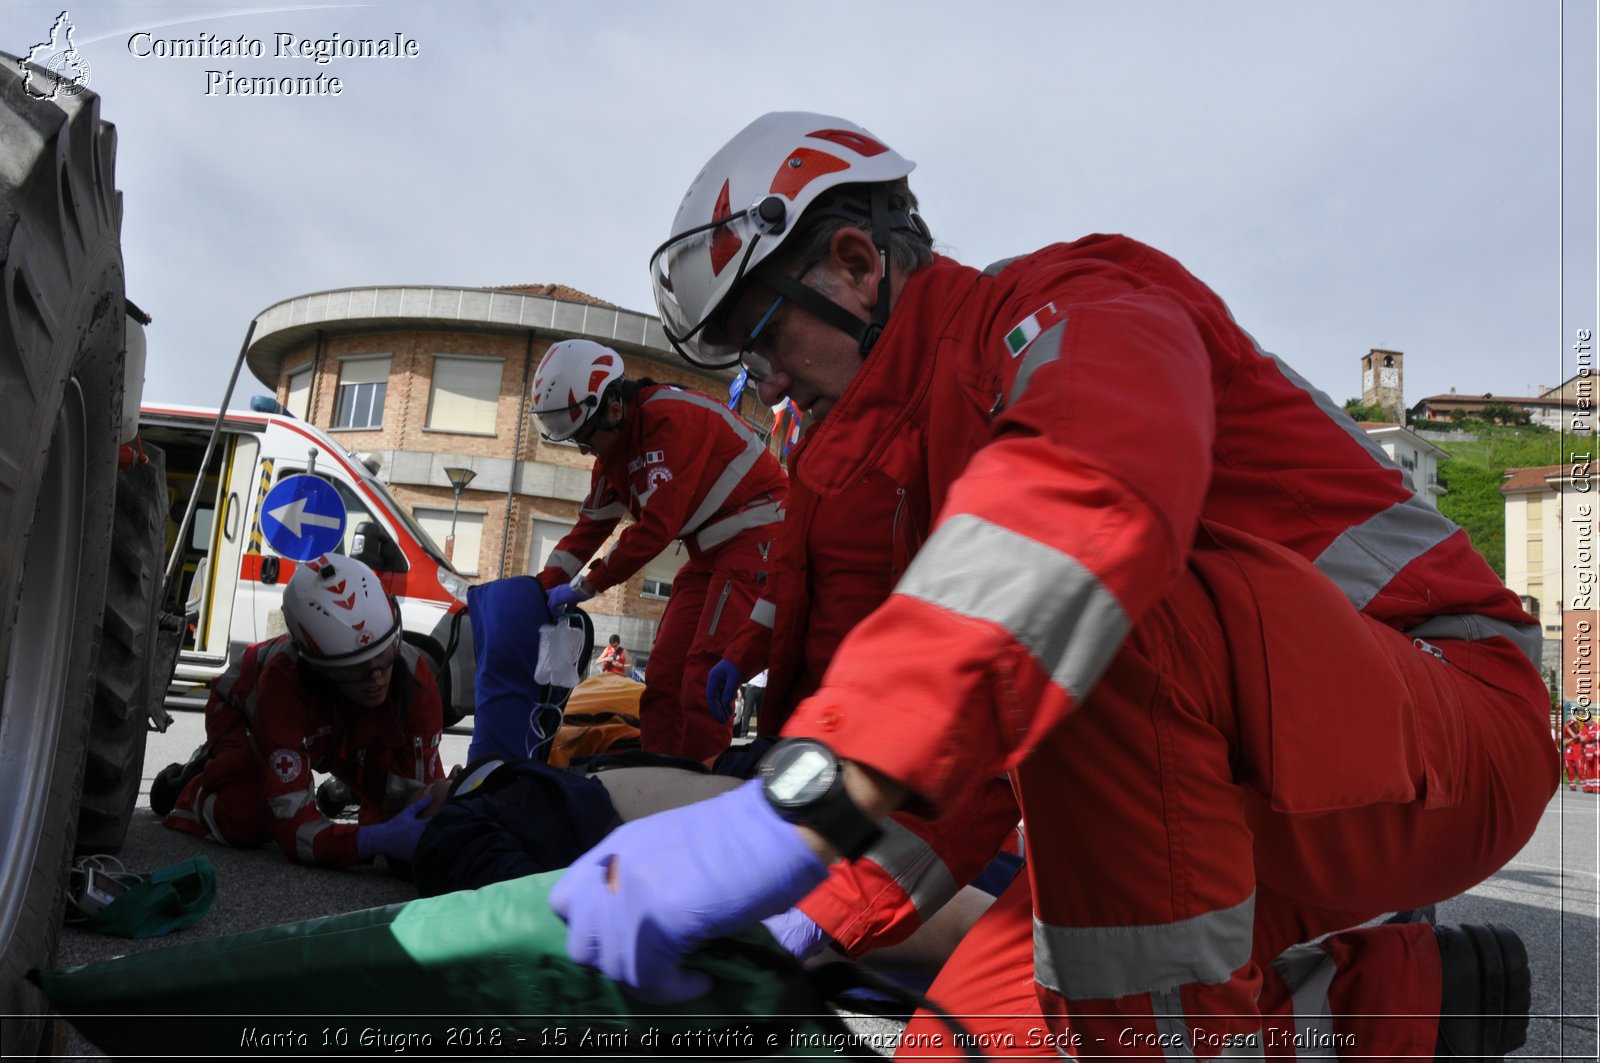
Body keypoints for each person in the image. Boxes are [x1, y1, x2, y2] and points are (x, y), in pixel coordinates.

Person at [549, 113, 1556, 1058]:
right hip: (1260, 773)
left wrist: (798, 802)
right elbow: (970, 737)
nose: (762, 380)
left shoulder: (1072, 301)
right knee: (959, 1043)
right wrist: (807, 918)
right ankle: (1395, 1004)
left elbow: (1087, 506)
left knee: (1097, 598)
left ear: (853, 266)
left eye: (761, 336)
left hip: (1455, 715)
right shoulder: (924, 458)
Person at [532, 338, 785, 762]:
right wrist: (537, 592)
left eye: (585, 437)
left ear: (613, 408)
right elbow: (585, 533)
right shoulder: (612, 453)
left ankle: (702, 793)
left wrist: (585, 587)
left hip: (756, 542)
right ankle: (654, 782)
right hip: (710, 553)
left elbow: (656, 530)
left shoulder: (671, 419)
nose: (583, 449)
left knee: (702, 678)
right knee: (664, 677)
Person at [153, 553, 444, 869]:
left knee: (419, 819)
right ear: (317, 665)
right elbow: (292, 829)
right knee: (249, 820)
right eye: (355, 667)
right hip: (244, 715)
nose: (377, 677)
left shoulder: (414, 679)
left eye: (385, 654)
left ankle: (347, 789)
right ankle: (192, 786)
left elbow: (422, 796)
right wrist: (370, 841)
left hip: (338, 724)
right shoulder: (282, 686)